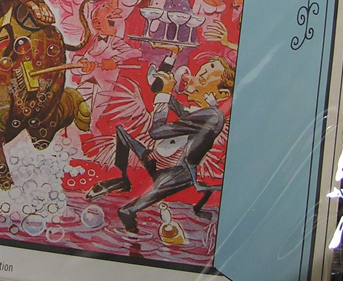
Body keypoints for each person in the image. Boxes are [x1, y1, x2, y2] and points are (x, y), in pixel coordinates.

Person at [86, 51, 234, 233]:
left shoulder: (213, 116)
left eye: (202, 78)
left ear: (222, 93)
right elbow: (159, 90)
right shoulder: (196, 113)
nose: (198, 74)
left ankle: (133, 241)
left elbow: (157, 132)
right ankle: (124, 180)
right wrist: (171, 58)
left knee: (126, 212)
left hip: (174, 175)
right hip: (155, 161)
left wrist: (165, 93)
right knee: (121, 134)